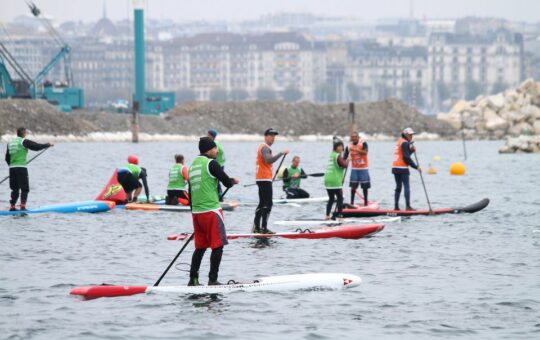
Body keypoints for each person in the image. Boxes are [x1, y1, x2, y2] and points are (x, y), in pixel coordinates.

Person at [188, 137, 239, 286]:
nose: (217, 151)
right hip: (211, 211)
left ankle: (193, 280)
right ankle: (212, 280)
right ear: (208, 150)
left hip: (196, 213)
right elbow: (226, 182)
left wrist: (194, 211)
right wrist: (232, 181)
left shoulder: (192, 166)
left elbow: (190, 191)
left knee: (201, 247)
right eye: (215, 148)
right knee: (217, 246)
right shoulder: (211, 163)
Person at [4, 127, 53, 211]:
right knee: (24, 188)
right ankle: (22, 206)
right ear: (23, 133)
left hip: (12, 168)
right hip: (21, 168)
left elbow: (7, 158)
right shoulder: (24, 141)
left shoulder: (10, 143)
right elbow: (36, 146)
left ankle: (12, 206)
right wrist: (47, 145)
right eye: (25, 132)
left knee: (14, 188)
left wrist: (12, 166)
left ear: (17, 133)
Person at [252, 128, 289, 234]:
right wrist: (281, 153)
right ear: (266, 136)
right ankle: (263, 228)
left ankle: (256, 227)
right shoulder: (265, 148)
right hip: (264, 179)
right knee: (268, 204)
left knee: (262, 203)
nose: (273, 138)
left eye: (274, 136)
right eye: (271, 135)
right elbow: (269, 160)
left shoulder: (262, 147)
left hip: (261, 178)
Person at [392, 127, 422, 211]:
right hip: (402, 167)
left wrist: (411, 151)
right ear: (405, 135)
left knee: (398, 187)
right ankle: (408, 206)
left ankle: (396, 207)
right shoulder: (405, 143)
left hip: (395, 167)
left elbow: (405, 154)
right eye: (410, 135)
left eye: (412, 135)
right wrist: (416, 167)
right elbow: (406, 158)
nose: (411, 137)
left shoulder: (400, 141)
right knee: (406, 186)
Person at [324, 138, 348, 221]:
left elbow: (340, 163)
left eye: (342, 146)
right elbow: (344, 165)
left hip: (327, 180)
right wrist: (348, 159)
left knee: (331, 199)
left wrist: (345, 157)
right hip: (335, 180)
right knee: (340, 198)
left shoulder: (332, 154)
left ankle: (327, 216)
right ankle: (340, 216)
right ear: (336, 147)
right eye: (340, 146)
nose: (341, 148)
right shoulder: (337, 156)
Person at [343, 131, 370, 206]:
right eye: (352, 137)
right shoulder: (348, 146)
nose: (353, 138)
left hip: (363, 168)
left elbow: (365, 152)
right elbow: (344, 158)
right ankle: (352, 203)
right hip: (354, 169)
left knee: (365, 187)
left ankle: (365, 203)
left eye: (355, 137)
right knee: (353, 187)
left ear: (358, 137)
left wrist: (355, 150)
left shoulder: (363, 143)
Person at [208, 128, 225, 201]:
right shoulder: (216, 142)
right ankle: (218, 196)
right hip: (220, 164)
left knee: (215, 182)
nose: (207, 136)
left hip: (218, 165)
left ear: (212, 136)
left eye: (208, 135)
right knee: (216, 181)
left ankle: (220, 197)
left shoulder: (214, 144)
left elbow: (214, 154)